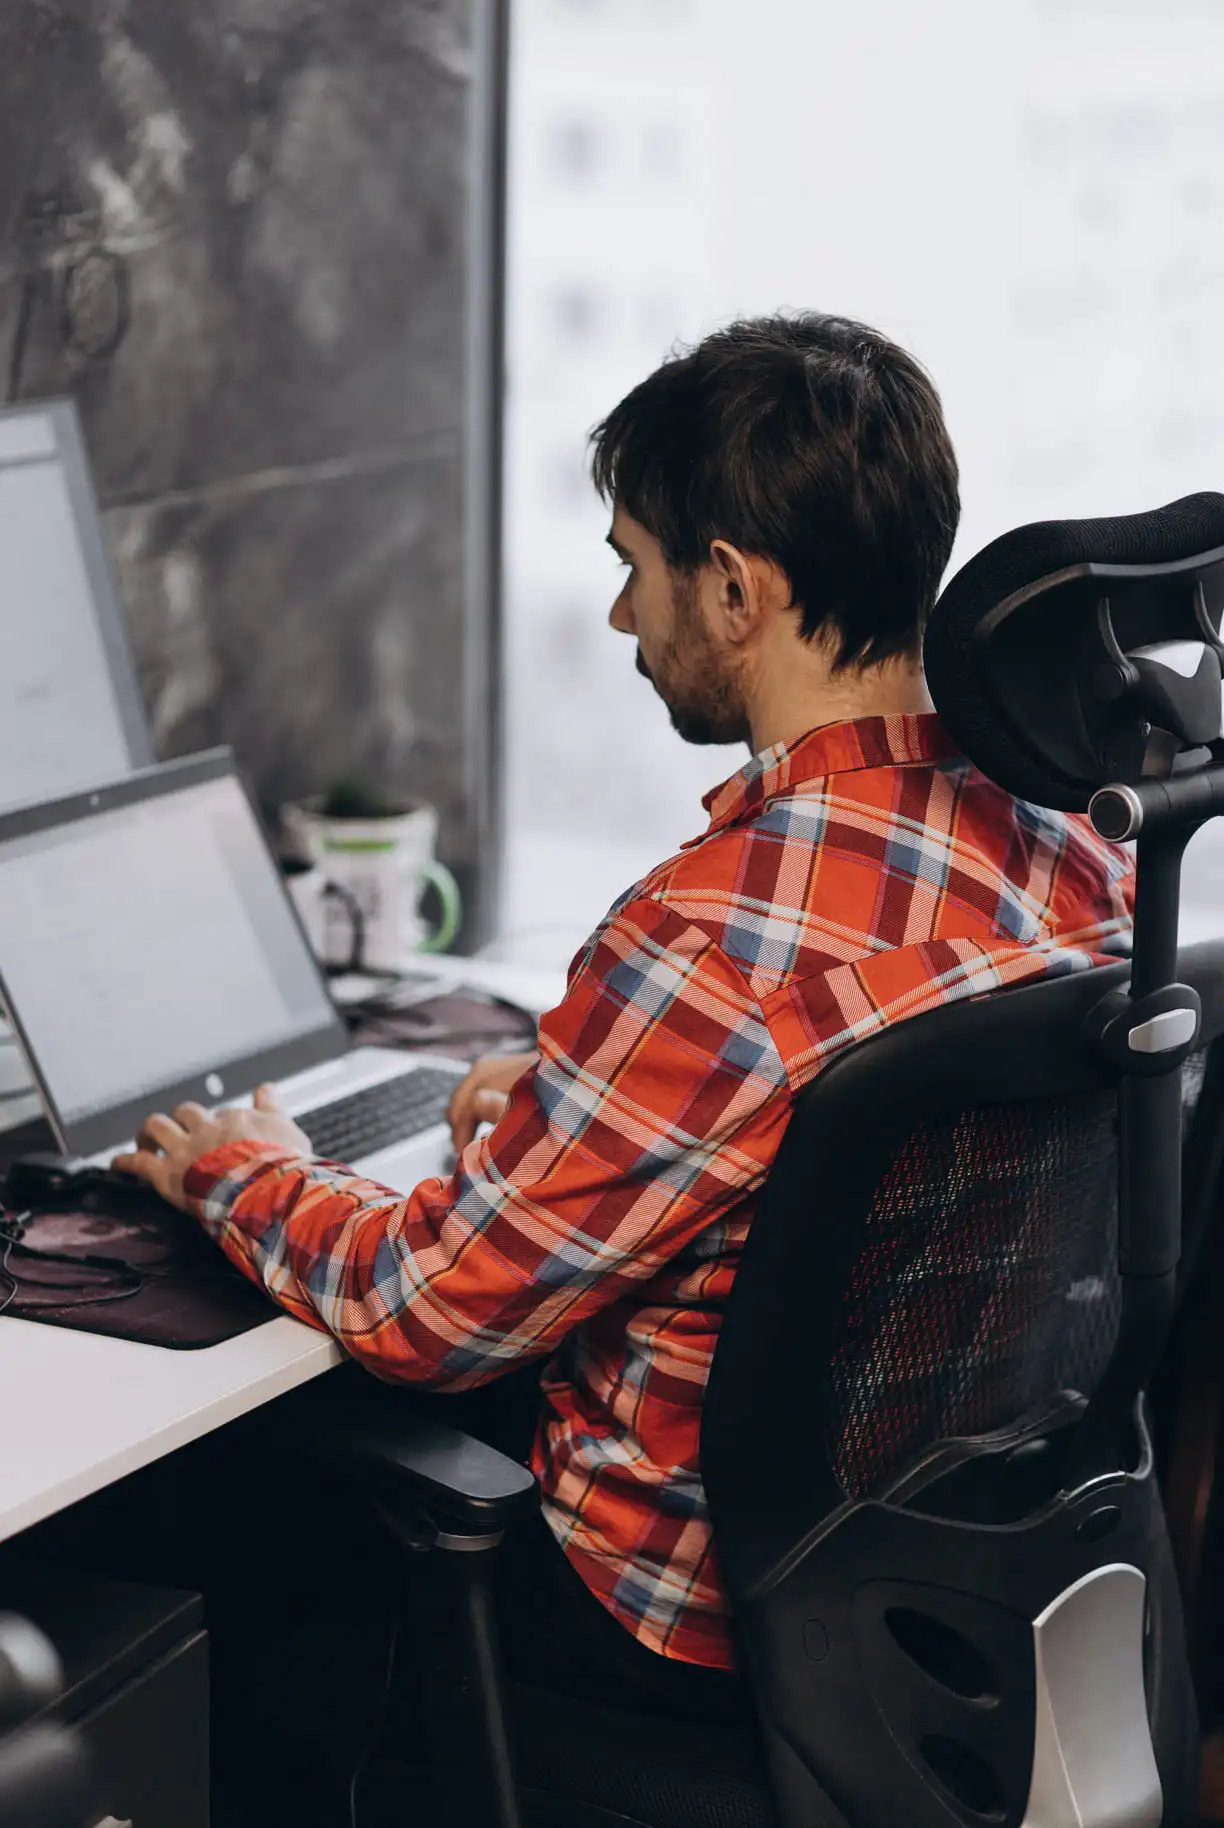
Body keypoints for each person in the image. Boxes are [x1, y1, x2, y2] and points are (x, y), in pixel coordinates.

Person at [114, 314, 1133, 1721]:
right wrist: (571, 1098)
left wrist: (233, 1168)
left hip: (671, 1623)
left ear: (732, 589)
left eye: (632, 568)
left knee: (205, 1526)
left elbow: (428, 1316)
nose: (617, 618)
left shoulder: (709, 940)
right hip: (956, 1586)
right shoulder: (1090, 857)